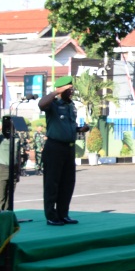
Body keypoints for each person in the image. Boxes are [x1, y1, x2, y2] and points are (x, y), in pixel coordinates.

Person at [38, 76, 90, 226]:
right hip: (54, 147)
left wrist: (80, 129)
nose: (72, 91)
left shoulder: (71, 105)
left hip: (68, 148)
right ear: (62, 89)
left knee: (68, 183)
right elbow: (41, 105)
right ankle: (51, 215)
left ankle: (63, 214)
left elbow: (68, 126)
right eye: (69, 89)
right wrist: (56, 92)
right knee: (52, 183)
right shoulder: (53, 104)